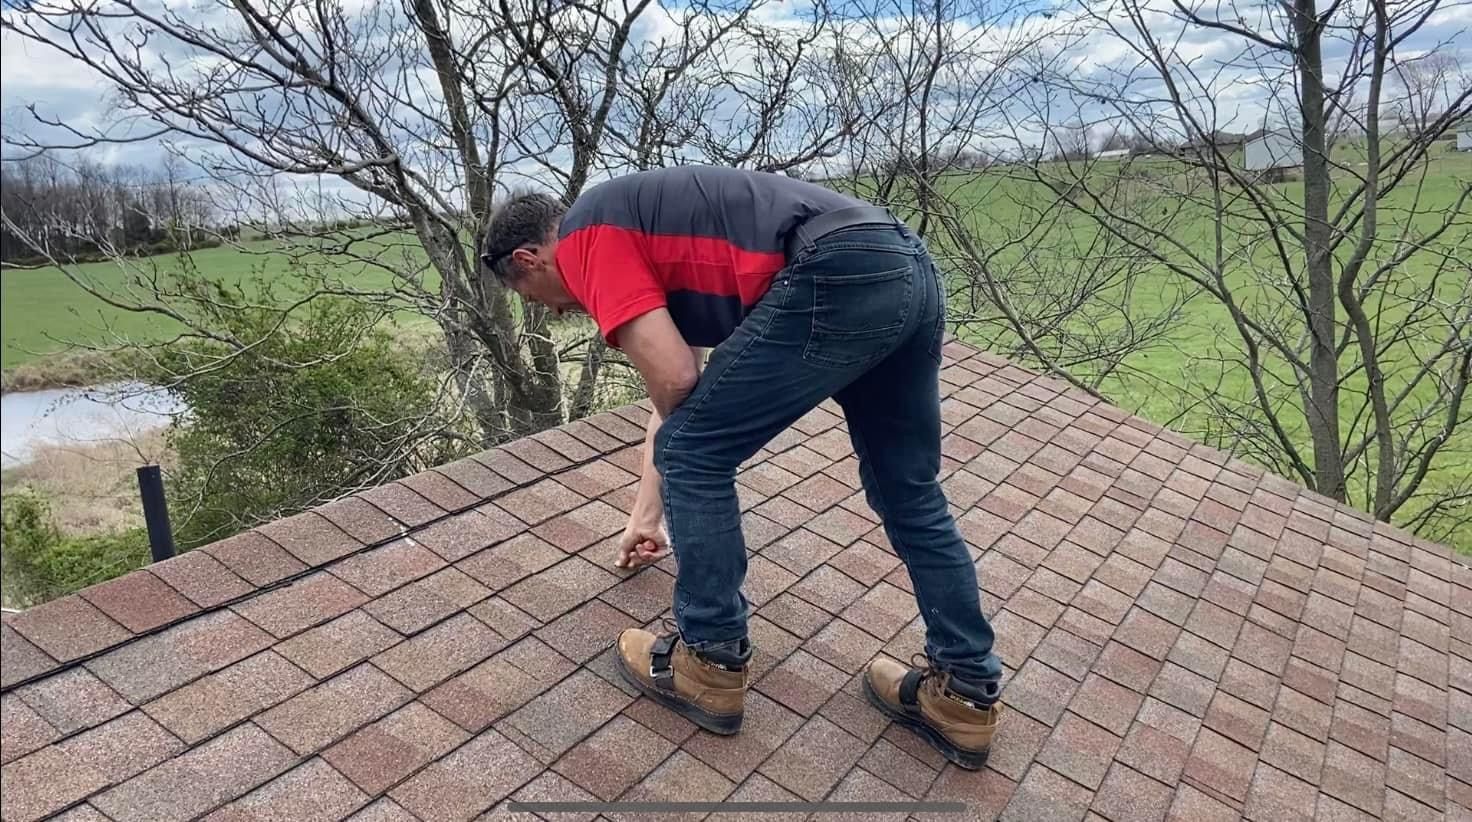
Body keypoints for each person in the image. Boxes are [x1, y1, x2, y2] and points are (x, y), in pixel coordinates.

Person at [480, 165, 1004, 770]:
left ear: (529, 259)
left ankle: (709, 660)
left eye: (532, 298)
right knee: (908, 491)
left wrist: (684, 456)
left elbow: (680, 394)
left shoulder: (585, 238)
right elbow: (678, 399)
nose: (552, 312)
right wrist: (647, 517)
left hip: (836, 267)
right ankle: (965, 692)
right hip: (903, 263)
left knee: (695, 450)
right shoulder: (638, 228)